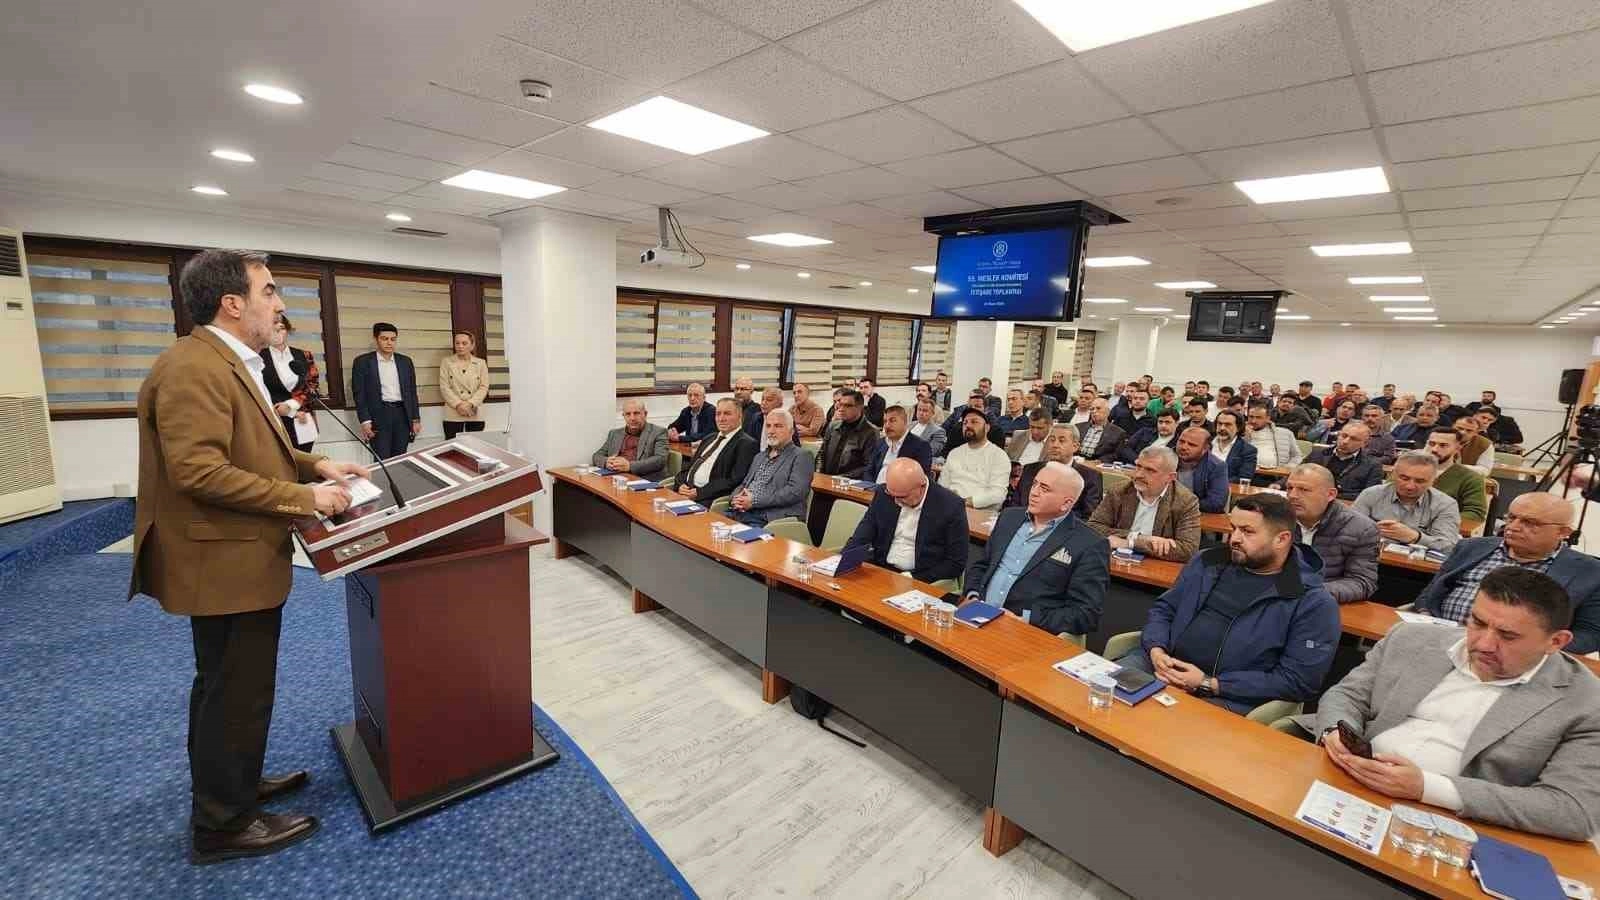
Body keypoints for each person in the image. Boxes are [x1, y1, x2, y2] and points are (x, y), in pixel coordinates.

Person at [131, 248, 370, 863]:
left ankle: (234, 783)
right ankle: (223, 825)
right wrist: (305, 497)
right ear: (232, 303)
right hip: (222, 562)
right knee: (234, 690)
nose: (279, 304)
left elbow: (252, 449)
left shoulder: (221, 360)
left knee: (229, 687)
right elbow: (200, 472)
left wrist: (315, 464)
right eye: (269, 292)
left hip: (232, 557)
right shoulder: (193, 368)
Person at [1313, 568, 1600, 840]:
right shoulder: (1410, 639)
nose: (1484, 644)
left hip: (1452, 824)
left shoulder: (1585, 702)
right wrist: (1336, 733)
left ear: (1556, 641)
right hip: (1347, 776)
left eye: (1508, 636)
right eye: (1477, 623)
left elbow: (1574, 810)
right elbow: (1347, 695)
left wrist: (1427, 788)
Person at [1115, 493, 1339, 715]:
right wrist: (1156, 649)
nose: (1234, 539)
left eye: (1247, 531)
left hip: (1229, 695)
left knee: (1158, 725)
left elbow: (1298, 680)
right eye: (1234, 528)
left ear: (1281, 539)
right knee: (1100, 694)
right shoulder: (1207, 561)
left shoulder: (1312, 602)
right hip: (1162, 664)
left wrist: (1209, 683)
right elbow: (1165, 609)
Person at [1414, 493, 1600, 653]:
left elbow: (1591, 634)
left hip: (1518, 659)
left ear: (1563, 532)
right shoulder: (1471, 547)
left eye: (1529, 522)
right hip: (1439, 641)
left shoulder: (1589, 572)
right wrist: (1425, 616)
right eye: (1511, 518)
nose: (1513, 527)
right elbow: (1429, 595)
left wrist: (1533, 649)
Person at [962, 461, 1110, 636]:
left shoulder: (1089, 544)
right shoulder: (1009, 517)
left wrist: (1025, 620)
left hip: (1026, 632)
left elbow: (1085, 614)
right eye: (1035, 484)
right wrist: (973, 595)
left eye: (1045, 489)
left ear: (1066, 503)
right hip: (977, 614)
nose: (1034, 492)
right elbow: (982, 565)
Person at [845, 457, 969, 584]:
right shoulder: (884, 494)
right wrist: (842, 561)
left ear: (922, 486)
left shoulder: (950, 506)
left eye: (902, 497)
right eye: (892, 495)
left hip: (922, 577)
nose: (896, 502)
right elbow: (862, 535)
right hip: (882, 568)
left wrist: (914, 578)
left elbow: (956, 563)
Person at [1088, 445, 1202, 562]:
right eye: (1138, 466)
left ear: (1170, 477)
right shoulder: (1119, 491)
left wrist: (1130, 543)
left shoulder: (1186, 501)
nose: (1138, 475)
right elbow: (1093, 527)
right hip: (1116, 561)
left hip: (1156, 565)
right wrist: (1139, 537)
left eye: (1150, 470)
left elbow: (1188, 550)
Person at [1285, 464, 1379, 603]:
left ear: (1330, 495)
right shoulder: (1275, 519)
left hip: (1323, 601)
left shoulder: (1361, 528)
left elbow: (1362, 582)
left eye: (1304, 490)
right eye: (1289, 488)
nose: (1293, 495)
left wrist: (1310, 592)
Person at [1353, 451, 1463, 552]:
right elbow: (1349, 529)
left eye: (1420, 481)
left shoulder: (1446, 505)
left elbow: (1449, 546)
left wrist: (1415, 537)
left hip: (1418, 565)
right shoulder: (1371, 494)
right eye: (1404, 478)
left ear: (1433, 481)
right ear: (1392, 474)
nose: (1410, 486)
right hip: (1370, 558)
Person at [728, 410, 813, 527]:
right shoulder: (759, 456)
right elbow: (745, 484)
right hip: (742, 512)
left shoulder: (801, 456)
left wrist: (754, 501)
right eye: (768, 426)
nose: (771, 431)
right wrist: (735, 498)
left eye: (778, 426)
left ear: (791, 431)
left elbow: (794, 492)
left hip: (771, 519)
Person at [350, 321, 420, 459]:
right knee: (382, 457)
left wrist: (415, 418)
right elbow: (359, 394)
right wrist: (365, 421)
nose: (389, 343)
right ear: (376, 339)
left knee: (400, 457)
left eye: (393, 339)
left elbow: (412, 392)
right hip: (379, 414)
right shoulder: (362, 362)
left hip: (402, 414)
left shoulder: (405, 361)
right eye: (384, 339)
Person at [1010, 424, 1103, 520]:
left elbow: (1089, 518)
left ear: (1075, 446)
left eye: (1061, 441)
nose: (1055, 445)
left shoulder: (1090, 477)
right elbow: (1014, 507)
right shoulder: (1030, 469)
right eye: (1052, 440)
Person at [673, 398, 756, 503]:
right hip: (685, 492)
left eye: (727, 414)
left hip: (708, 498)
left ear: (740, 417)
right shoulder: (709, 438)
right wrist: (681, 485)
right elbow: (689, 468)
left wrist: (699, 492)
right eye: (718, 414)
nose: (721, 419)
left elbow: (734, 480)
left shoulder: (746, 443)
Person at [260, 313, 319, 452]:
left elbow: (313, 386)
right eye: (273, 329)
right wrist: (287, 412)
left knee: (305, 460)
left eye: (281, 328)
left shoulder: (304, 355)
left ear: (287, 330)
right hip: (274, 420)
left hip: (303, 420)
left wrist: (292, 406)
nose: (277, 332)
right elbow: (257, 390)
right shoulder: (258, 356)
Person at [939, 408, 1011, 510]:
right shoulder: (954, 453)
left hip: (981, 510)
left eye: (974, 422)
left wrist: (966, 502)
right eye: (965, 423)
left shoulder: (999, 456)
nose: (968, 425)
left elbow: (998, 493)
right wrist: (949, 498)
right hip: (951, 507)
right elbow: (942, 485)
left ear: (987, 428)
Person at [1422, 426, 1489, 530]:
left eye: (1443, 445)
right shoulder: (1408, 470)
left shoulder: (1471, 478)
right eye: (1431, 444)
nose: (1434, 449)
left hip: (1442, 531)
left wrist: (1435, 521)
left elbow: (1475, 514)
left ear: (1457, 448)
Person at [1305, 422, 1384, 500]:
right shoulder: (1318, 453)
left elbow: (1370, 495)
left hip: (1345, 503)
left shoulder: (1373, 465)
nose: (1345, 441)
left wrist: (1331, 496)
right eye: (1344, 436)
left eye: (1354, 439)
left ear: (1365, 443)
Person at [592, 398, 669, 478]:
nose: (632, 418)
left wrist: (629, 466)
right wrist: (606, 462)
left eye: (636, 413)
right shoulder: (614, 434)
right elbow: (597, 456)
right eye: (628, 414)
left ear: (645, 414)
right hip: (616, 477)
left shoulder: (659, 432)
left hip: (644, 478)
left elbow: (660, 460)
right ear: (624, 416)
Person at [439, 330, 490, 440]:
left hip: (474, 411)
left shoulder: (481, 363)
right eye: (457, 343)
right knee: (453, 446)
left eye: (464, 343)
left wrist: (470, 404)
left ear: (472, 345)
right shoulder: (446, 362)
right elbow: (444, 387)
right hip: (453, 411)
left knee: (475, 445)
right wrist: (459, 405)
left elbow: (484, 387)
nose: (460, 346)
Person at [818, 389, 878, 478]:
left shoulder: (871, 432)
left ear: (860, 407)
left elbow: (868, 466)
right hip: (826, 479)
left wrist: (841, 478)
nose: (841, 409)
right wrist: (818, 473)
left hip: (849, 482)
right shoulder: (833, 426)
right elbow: (821, 454)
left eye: (847, 406)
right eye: (840, 405)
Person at [865, 404, 932, 482]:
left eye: (892, 420)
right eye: (885, 421)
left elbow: (920, 479)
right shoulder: (881, 443)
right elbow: (869, 470)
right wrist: (869, 486)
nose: (887, 426)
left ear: (905, 422)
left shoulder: (920, 446)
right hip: (874, 487)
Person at [1173, 426, 1229, 513]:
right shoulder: (1165, 458)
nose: (1184, 447)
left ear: (1205, 449)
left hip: (1198, 514)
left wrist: (1180, 505)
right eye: (1181, 441)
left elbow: (1216, 503)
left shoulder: (1217, 466)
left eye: (1192, 445)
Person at [1245, 400, 1303, 473]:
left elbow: (1297, 456)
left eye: (1258, 417)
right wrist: (1246, 437)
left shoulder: (1285, 433)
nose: (1253, 421)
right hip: (1247, 472)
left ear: (1268, 418)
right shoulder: (1240, 433)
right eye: (1251, 417)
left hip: (1276, 474)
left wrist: (1287, 468)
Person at [1210, 409, 1258, 482]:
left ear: (1238, 428)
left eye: (1228, 425)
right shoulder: (1206, 443)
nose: (1222, 428)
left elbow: (1244, 478)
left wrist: (1216, 482)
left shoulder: (1247, 450)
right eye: (1219, 424)